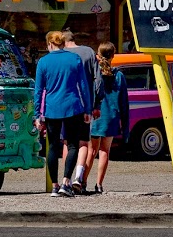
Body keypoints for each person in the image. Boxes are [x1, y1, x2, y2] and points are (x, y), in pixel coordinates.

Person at [32, 30, 94, 196]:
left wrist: (37, 114)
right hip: (73, 107)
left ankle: (54, 185)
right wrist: (88, 109)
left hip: (52, 108)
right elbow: (84, 86)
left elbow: (38, 90)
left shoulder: (43, 62)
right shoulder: (74, 59)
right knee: (73, 144)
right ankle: (66, 182)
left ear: (50, 44)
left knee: (52, 147)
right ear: (63, 43)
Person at [88, 41, 128, 195]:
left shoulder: (93, 74)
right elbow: (124, 103)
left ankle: (83, 181)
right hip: (111, 117)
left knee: (91, 151)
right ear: (113, 55)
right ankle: (99, 184)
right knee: (105, 151)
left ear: (98, 55)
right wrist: (125, 129)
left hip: (95, 116)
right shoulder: (119, 76)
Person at [65, 32, 99, 185]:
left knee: (67, 142)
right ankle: (79, 176)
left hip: (65, 105)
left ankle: (67, 179)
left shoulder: (62, 54)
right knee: (83, 142)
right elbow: (98, 80)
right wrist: (96, 104)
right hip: (85, 105)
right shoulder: (89, 52)